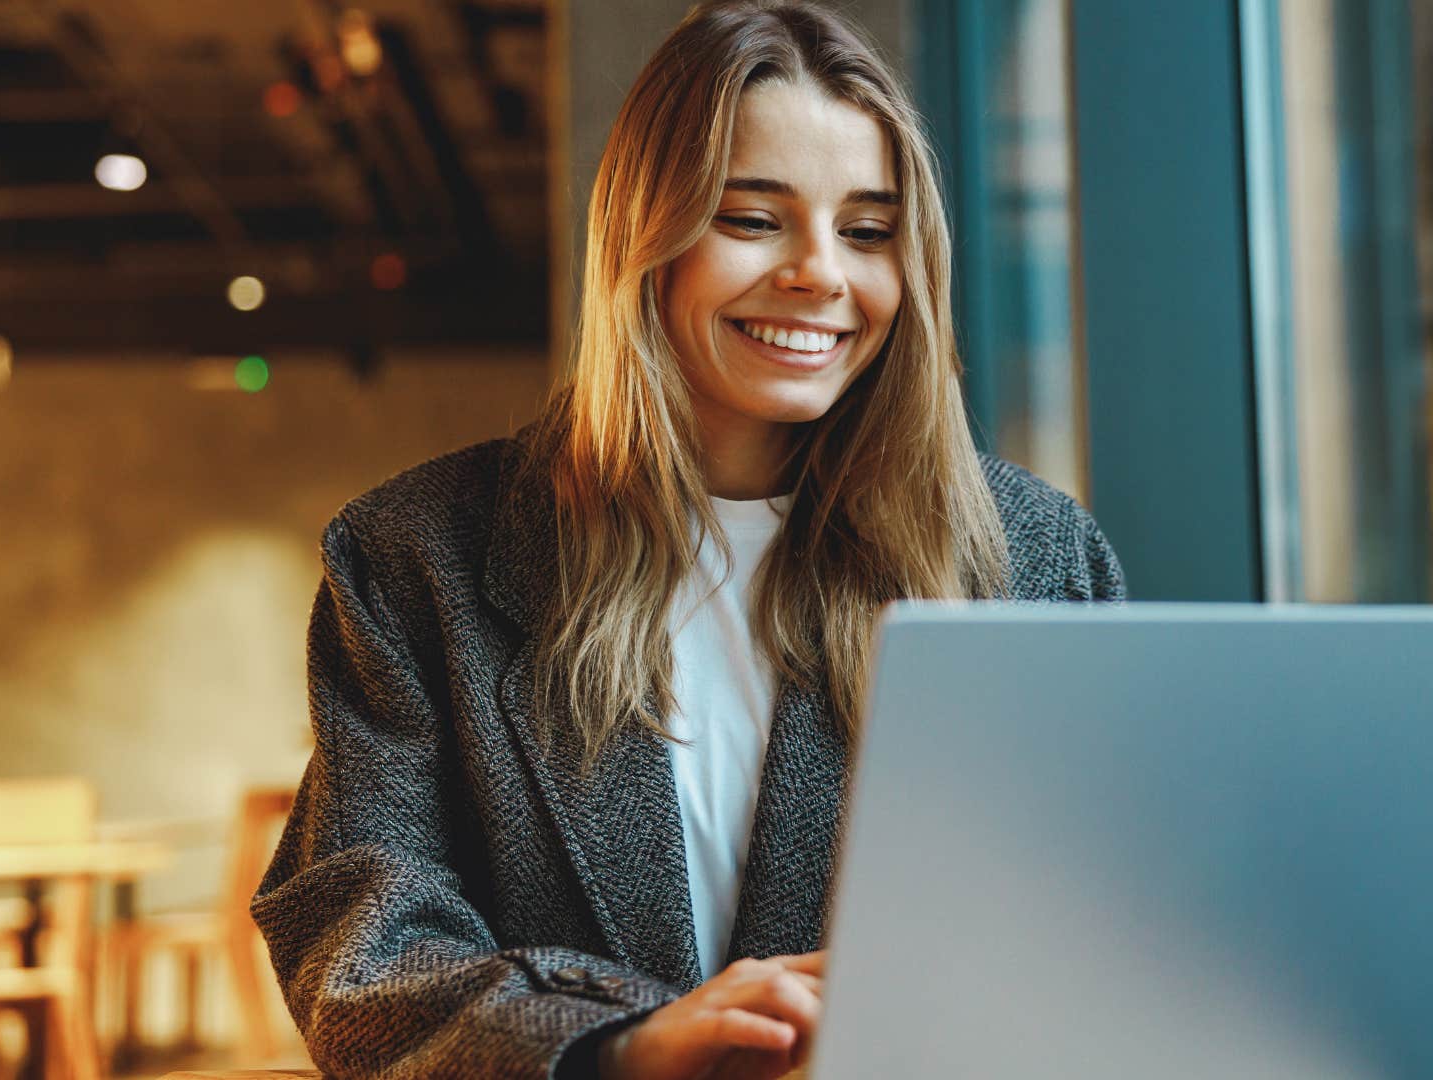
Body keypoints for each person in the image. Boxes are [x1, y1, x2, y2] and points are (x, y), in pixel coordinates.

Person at [251, 2, 1126, 1077]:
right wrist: (617, 1045)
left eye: (865, 231)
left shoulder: (1035, 558)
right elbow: (361, 947)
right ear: (645, 239)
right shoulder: (415, 558)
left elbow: (1106, 915)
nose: (821, 274)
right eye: (752, 219)